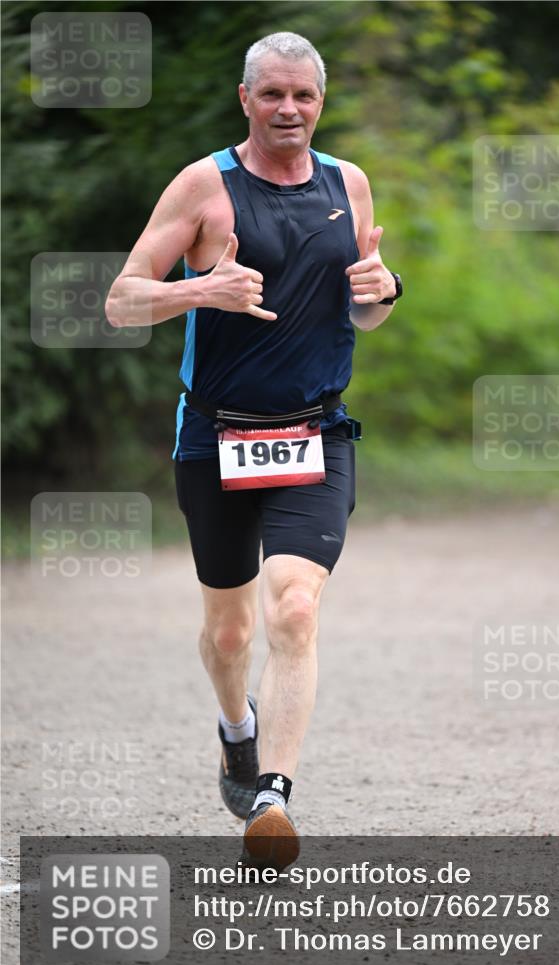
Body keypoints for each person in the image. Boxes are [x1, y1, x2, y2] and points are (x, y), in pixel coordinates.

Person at [106, 31, 402, 866]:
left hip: (315, 430)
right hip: (216, 435)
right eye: (271, 94)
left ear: (320, 101)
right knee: (231, 635)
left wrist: (385, 293)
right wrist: (202, 289)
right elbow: (122, 301)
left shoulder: (349, 183)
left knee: (295, 606)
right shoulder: (206, 184)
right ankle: (236, 729)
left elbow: (364, 307)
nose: (288, 110)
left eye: (302, 96)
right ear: (245, 100)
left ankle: (272, 795)